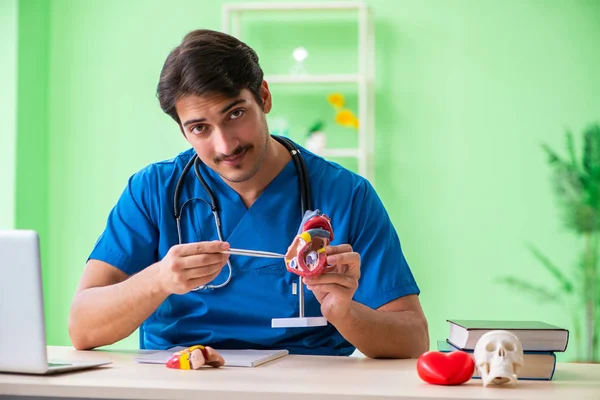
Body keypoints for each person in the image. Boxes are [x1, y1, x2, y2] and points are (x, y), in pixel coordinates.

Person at [68, 29, 429, 358]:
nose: (225, 144)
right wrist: (159, 279)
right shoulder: (153, 191)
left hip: (306, 388)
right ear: (183, 132)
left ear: (264, 97)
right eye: (200, 128)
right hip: (181, 384)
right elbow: (82, 328)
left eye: (235, 113)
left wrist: (343, 312)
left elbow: (413, 339)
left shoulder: (346, 194)